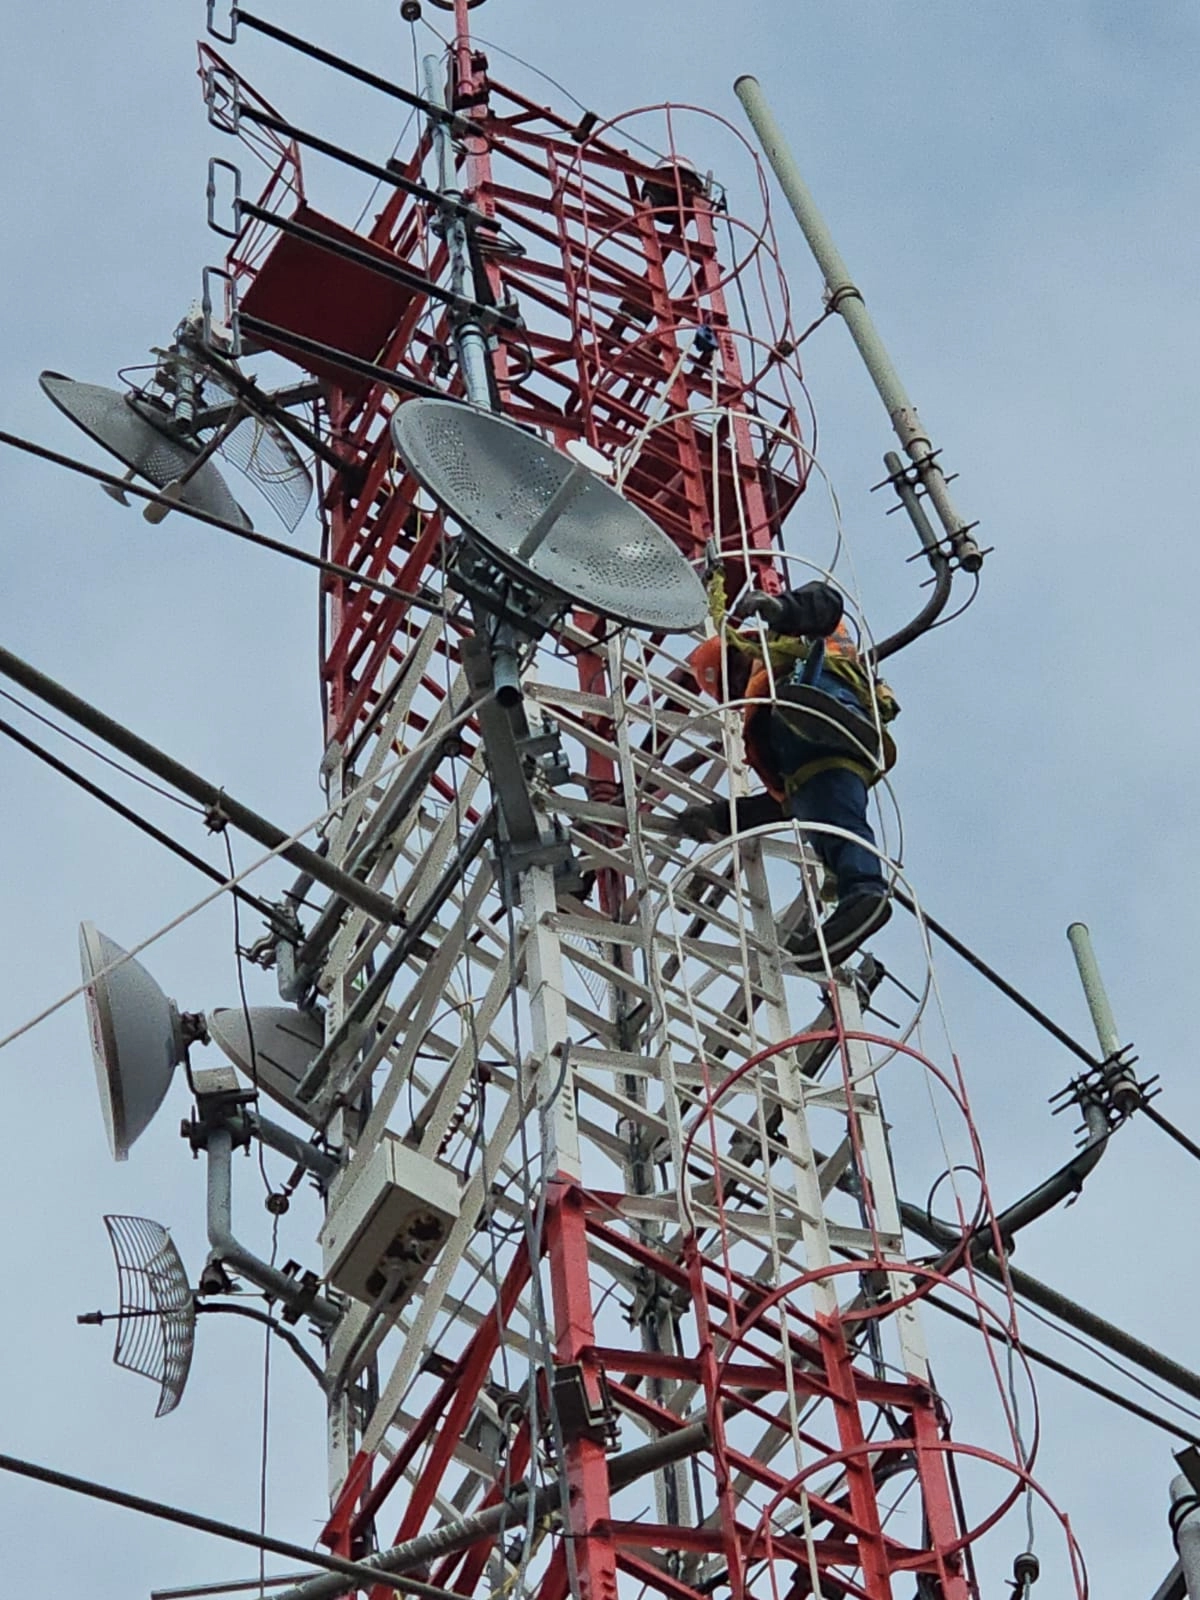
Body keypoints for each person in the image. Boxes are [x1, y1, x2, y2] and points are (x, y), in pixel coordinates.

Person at [673, 579, 899, 971]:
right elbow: (775, 807)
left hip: (826, 710)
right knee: (830, 828)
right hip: (812, 772)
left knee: (835, 819)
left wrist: (780, 609)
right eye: (732, 685)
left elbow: (826, 602)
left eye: (736, 669)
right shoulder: (764, 713)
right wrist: (718, 817)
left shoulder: (791, 637)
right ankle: (859, 900)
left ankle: (865, 889)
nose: (740, 683)